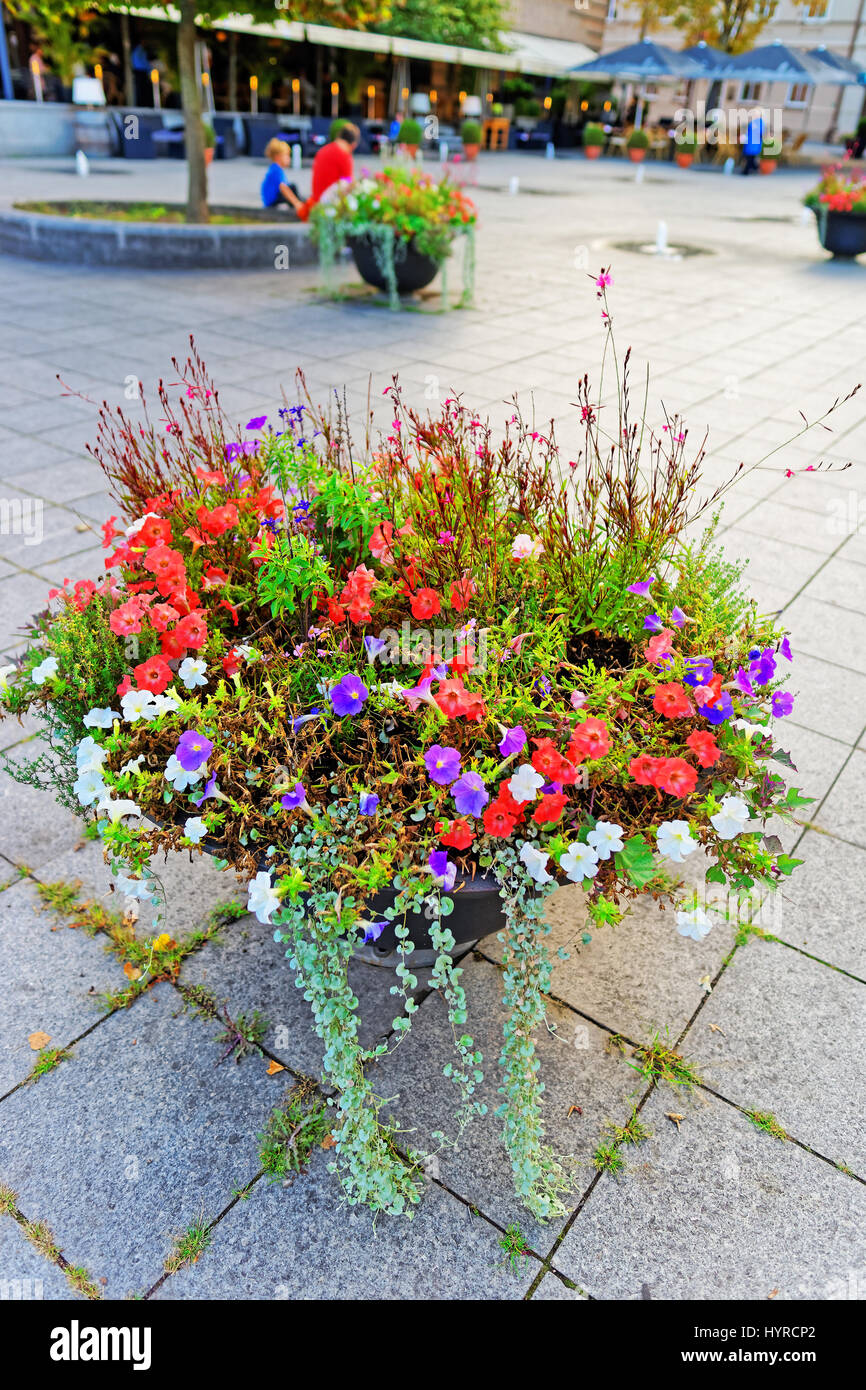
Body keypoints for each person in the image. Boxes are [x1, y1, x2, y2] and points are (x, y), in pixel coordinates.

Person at [296, 121, 360, 221]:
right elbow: (348, 185)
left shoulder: (323, 150)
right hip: (329, 209)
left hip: (315, 204)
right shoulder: (344, 155)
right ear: (353, 145)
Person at [260, 138, 305, 214]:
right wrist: (296, 203)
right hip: (272, 201)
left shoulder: (274, 168)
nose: (289, 159)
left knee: (292, 188)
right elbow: (284, 188)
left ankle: (303, 202)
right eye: (287, 156)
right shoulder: (276, 170)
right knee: (293, 187)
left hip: (272, 200)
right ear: (278, 157)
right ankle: (302, 205)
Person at [741, 110, 763, 176]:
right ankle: (754, 168)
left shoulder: (757, 123)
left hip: (752, 143)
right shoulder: (758, 123)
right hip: (752, 143)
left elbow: (758, 133)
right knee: (751, 158)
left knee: (749, 157)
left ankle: (746, 171)